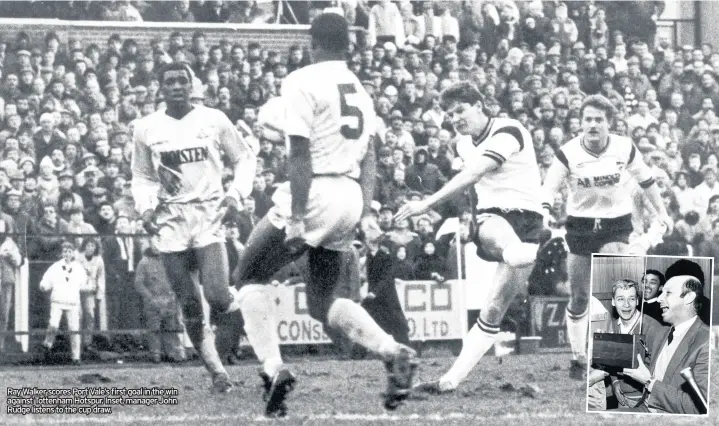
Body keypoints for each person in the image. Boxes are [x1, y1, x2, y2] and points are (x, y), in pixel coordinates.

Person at [217, 13, 417, 417]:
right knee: (325, 300)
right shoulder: (360, 88)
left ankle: (273, 369)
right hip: (350, 194)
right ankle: (390, 349)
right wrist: (364, 210)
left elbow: (299, 153)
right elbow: (372, 156)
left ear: (313, 43)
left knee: (248, 274)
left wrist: (295, 216)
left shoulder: (301, 81)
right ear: (349, 44)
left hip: (316, 192)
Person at [394, 80, 550, 393]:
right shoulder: (463, 143)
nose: (455, 118)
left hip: (529, 219)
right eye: (449, 114)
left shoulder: (509, 130)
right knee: (507, 243)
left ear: (479, 106)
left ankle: (449, 380)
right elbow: (476, 186)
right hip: (494, 218)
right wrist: (470, 221)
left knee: (494, 308)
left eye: (460, 110)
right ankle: (543, 251)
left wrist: (424, 203)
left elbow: (473, 173)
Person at [131, 62, 255, 393]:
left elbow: (244, 158)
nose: (176, 86)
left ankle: (245, 308)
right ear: (160, 87)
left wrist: (236, 195)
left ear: (192, 85)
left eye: (182, 81)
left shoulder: (213, 119)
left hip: (209, 215)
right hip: (170, 220)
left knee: (216, 296)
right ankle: (217, 372)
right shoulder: (146, 128)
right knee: (188, 303)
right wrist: (144, 208)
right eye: (169, 81)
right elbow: (142, 176)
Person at [541, 94, 671, 379]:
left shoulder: (624, 148)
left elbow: (647, 181)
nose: (592, 125)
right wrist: (544, 211)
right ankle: (578, 357)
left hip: (616, 223)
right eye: (587, 119)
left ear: (609, 123)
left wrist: (662, 212)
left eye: (599, 120)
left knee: (616, 288)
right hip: (580, 225)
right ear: (581, 122)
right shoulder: (568, 152)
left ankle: (616, 359)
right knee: (578, 296)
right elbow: (549, 187)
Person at [620, 275, 709, 414]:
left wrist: (649, 382)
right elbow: (648, 367)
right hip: (645, 408)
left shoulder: (707, 341)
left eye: (667, 293)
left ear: (689, 297)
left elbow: (698, 408)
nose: (660, 298)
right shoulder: (662, 332)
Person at [588, 279, 663, 410]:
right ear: (613, 301)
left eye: (631, 299)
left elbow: (663, 371)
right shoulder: (612, 327)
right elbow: (610, 362)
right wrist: (615, 382)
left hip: (647, 402)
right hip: (621, 399)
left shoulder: (654, 329)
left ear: (638, 301)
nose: (626, 305)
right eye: (620, 299)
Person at [38, 241, 87, 365]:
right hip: (57, 300)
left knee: (74, 329)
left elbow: (83, 283)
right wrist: (44, 286)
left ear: (73, 253)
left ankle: (76, 357)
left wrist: (88, 287)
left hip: (72, 302)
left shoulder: (78, 268)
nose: (67, 254)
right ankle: (47, 346)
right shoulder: (55, 267)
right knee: (53, 324)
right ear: (61, 253)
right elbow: (47, 280)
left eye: (70, 251)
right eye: (65, 251)